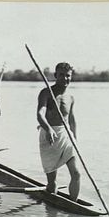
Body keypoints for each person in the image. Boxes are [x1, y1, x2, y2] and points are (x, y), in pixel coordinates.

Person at [37, 62, 80, 201]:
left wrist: (75, 139)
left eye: (68, 76)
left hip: (66, 135)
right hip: (49, 136)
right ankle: (52, 211)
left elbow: (72, 120)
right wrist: (48, 128)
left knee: (76, 173)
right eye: (61, 75)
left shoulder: (71, 97)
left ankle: (73, 204)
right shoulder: (46, 93)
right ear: (55, 75)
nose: (65, 79)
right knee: (52, 181)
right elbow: (40, 114)